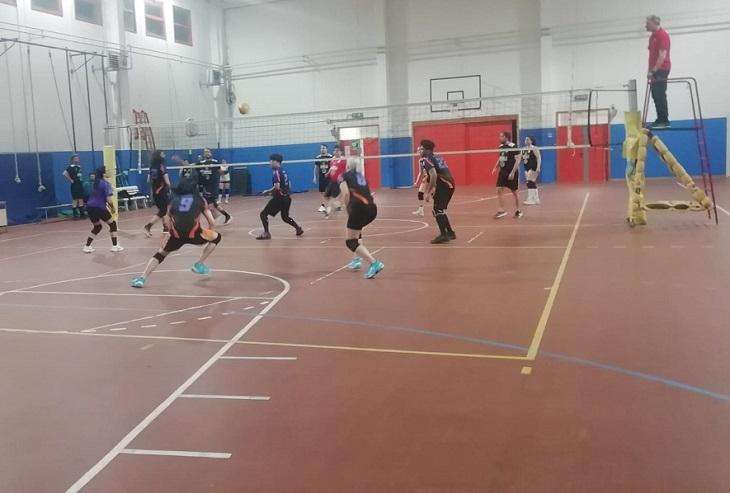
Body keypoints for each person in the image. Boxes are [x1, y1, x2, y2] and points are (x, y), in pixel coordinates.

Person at [131, 177, 222, 288]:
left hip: (176, 235)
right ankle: (199, 264)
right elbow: (212, 222)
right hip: (195, 234)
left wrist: (169, 233)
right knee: (217, 237)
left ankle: (142, 279)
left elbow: (166, 219)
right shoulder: (200, 200)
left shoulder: (173, 200)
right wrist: (207, 234)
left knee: (160, 254)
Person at [339, 153, 384, 279]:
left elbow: (346, 194)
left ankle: (374, 263)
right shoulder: (361, 176)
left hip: (359, 209)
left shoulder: (343, 176)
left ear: (347, 165)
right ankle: (357, 260)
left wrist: (347, 209)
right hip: (372, 209)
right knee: (357, 233)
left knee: (350, 241)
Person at [256, 153, 304, 240]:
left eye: (270, 161)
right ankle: (298, 228)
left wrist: (267, 191)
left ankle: (266, 233)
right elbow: (289, 184)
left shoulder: (276, 172)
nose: (269, 163)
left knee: (263, 214)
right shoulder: (284, 171)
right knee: (285, 217)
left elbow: (277, 187)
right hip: (287, 198)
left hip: (279, 198)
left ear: (276, 161)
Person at [420, 140, 456, 244]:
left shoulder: (426, 159)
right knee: (440, 209)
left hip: (444, 184)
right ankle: (450, 232)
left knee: (437, 210)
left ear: (426, 150)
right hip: (449, 183)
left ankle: (444, 235)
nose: (420, 150)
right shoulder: (437, 156)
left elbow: (434, 175)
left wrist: (428, 192)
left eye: (421, 148)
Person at [83, 167, 123, 253]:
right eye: (108, 171)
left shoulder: (95, 183)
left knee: (97, 227)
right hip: (99, 207)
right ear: (104, 174)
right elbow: (109, 200)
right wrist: (112, 208)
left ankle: (87, 246)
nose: (110, 172)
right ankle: (115, 246)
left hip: (90, 207)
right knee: (113, 224)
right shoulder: (105, 184)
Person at [646, 15, 671, 128]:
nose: (645, 25)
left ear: (654, 23)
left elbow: (662, 55)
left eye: (648, 23)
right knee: (655, 94)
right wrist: (649, 71)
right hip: (654, 70)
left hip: (662, 68)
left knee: (660, 93)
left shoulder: (662, 35)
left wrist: (654, 70)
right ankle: (660, 119)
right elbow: (651, 56)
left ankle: (664, 121)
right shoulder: (652, 37)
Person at [196, 148, 232, 225]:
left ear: (211, 153)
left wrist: (225, 171)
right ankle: (226, 216)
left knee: (208, 204)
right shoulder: (200, 163)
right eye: (205, 152)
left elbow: (221, 172)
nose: (207, 153)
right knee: (213, 204)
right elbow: (191, 166)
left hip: (213, 186)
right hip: (205, 186)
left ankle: (213, 219)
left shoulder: (215, 162)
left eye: (208, 152)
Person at [492, 132, 523, 219]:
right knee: (499, 190)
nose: (499, 138)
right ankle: (501, 210)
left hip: (511, 172)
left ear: (506, 137)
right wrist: (496, 167)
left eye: (501, 136)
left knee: (514, 192)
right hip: (502, 172)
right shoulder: (501, 147)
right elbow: (501, 158)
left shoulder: (513, 146)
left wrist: (513, 172)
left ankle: (518, 211)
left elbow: (518, 159)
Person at [143, 150, 171, 237]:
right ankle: (148, 226)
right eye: (163, 154)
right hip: (162, 191)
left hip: (155, 192)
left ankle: (166, 228)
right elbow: (167, 181)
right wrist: (169, 187)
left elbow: (148, 180)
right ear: (159, 156)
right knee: (163, 211)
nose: (164, 155)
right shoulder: (161, 167)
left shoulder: (152, 167)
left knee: (163, 209)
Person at [324, 145, 346, 218]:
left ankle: (328, 212)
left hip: (338, 182)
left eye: (337, 151)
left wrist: (343, 177)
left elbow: (347, 170)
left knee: (333, 197)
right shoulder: (333, 159)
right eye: (335, 151)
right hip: (331, 181)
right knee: (326, 196)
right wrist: (328, 173)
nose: (336, 152)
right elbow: (331, 168)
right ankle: (338, 206)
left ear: (340, 152)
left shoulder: (343, 160)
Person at [63, 154, 86, 219]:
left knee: (81, 198)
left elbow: (79, 175)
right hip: (74, 184)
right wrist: (70, 179)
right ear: (72, 160)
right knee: (75, 199)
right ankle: (75, 215)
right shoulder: (70, 167)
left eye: (78, 158)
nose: (77, 160)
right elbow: (64, 173)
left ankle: (82, 214)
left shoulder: (79, 167)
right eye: (75, 159)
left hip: (80, 184)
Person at [521, 136, 542, 205]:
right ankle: (536, 199)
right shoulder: (523, 149)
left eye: (528, 139)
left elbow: (538, 158)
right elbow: (521, 158)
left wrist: (538, 167)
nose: (526, 141)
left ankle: (531, 199)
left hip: (533, 167)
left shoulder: (534, 148)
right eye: (525, 139)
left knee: (529, 182)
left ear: (531, 141)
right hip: (526, 168)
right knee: (532, 183)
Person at [314, 145, 332, 213]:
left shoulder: (330, 157)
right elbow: (316, 168)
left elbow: (332, 166)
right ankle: (323, 206)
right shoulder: (318, 157)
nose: (322, 149)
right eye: (321, 148)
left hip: (329, 177)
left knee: (328, 192)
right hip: (321, 177)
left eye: (324, 148)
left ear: (327, 149)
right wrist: (315, 177)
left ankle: (329, 206)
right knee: (322, 192)